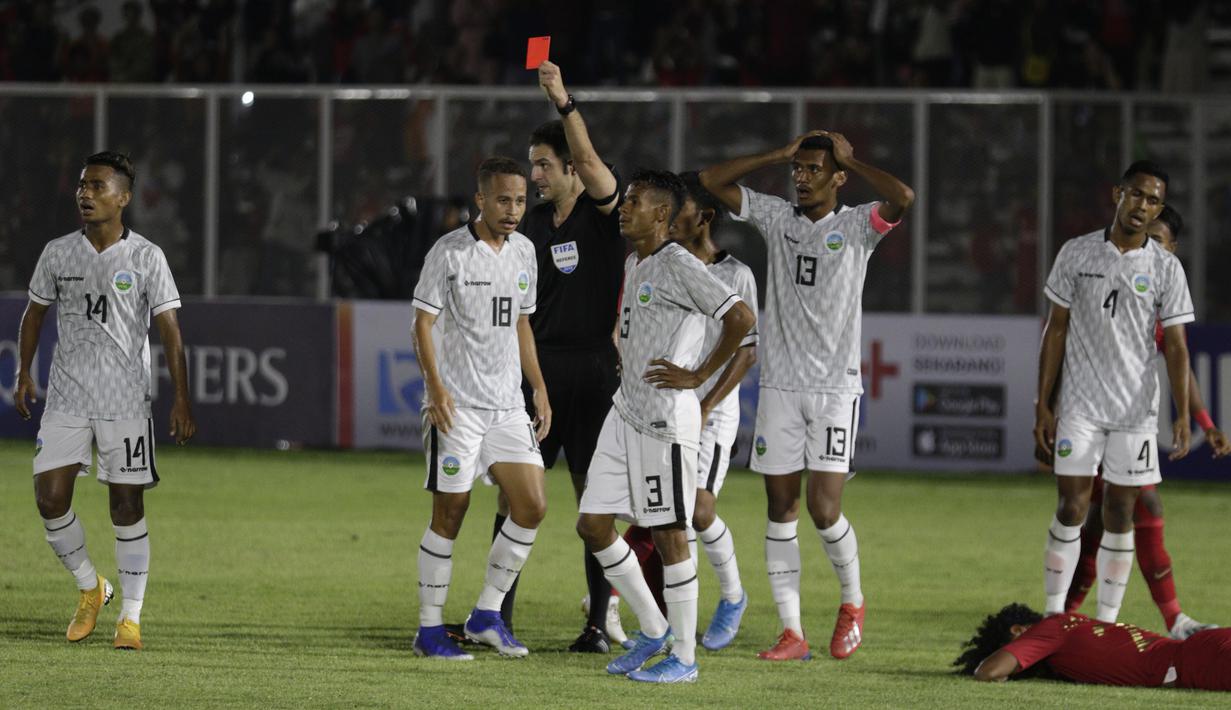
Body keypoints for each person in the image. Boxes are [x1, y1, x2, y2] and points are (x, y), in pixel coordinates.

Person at [700, 131, 914, 661]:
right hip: (779, 387)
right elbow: (710, 182)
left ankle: (853, 603)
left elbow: (904, 197)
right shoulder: (777, 217)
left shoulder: (859, 225)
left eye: (814, 169)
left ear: (838, 175)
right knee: (780, 508)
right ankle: (792, 632)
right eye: (798, 169)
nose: (802, 176)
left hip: (836, 389)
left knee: (823, 509)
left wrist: (852, 158)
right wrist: (776, 153)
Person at [576, 170, 755, 683]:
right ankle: (652, 630)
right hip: (625, 411)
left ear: (661, 215)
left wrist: (698, 375)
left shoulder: (678, 263)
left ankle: (684, 658)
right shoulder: (637, 261)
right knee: (592, 525)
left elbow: (740, 318)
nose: (624, 208)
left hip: (663, 421)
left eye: (633, 201)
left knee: (672, 533)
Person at [14, 151, 195, 651]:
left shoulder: (146, 257)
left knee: (126, 507)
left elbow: (171, 331)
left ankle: (130, 620)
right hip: (67, 395)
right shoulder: (58, 253)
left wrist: (181, 397)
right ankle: (92, 586)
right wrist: (23, 372)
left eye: (96, 186)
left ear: (124, 197)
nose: (85, 194)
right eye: (81, 185)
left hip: (125, 402)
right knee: (50, 499)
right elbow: (34, 314)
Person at [491, 60, 628, 653]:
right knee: (515, 499)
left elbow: (597, 166)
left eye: (545, 165)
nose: (536, 176)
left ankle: (597, 625)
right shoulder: (531, 228)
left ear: (572, 168)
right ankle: (498, 617)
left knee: (593, 503)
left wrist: (562, 100)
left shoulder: (605, 217)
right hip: (538, 373)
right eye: (533, 165)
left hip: (596, 374)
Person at [1035, 161, 1196, 626]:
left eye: (1153, 201)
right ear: (1117, 194)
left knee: (1122, 509)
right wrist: (1042, 404)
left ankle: (1105, 624)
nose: (1142, 206)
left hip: (1136, 411)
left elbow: (1178, 345)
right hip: (1082, 406)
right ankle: (1052, 616)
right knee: (1072, 505)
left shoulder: (1166, 267)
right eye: (1136, 195)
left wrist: (1181, 413)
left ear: (1159, 207)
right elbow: (1055, 331)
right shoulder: (1076, 253)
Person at [1064, 205, 1230, 638]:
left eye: (1158, 241)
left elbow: (1181, 364)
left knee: (1109, 517)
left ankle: (1067, 616)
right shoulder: (1106, 284)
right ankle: (1080, 617)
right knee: (1113, 514)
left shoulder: (1160, 299)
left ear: (1172, 250)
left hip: (1125, 423)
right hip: (1090, 416)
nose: (1147, 247)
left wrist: (1203, 421)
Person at [411, 157, 551, 660]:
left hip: (507, 405)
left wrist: (538, 386)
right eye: (503, 200)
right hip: (459, 408)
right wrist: (437, 389)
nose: (513, 209)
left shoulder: (525, 252)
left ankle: (486, 614)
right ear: (481, 200)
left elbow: (522, 325)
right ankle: (428, 630)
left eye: (520, 200)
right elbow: (421, 325)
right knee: (451, 512)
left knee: (532, 505)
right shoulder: (449, 252)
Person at [955, 602, 1231, 689]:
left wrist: (1005, 670)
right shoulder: (1074, 624)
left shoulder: (1046, 631)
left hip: (1195, 664)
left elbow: (988, 671)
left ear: (1018, 631)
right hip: (1199, 651)